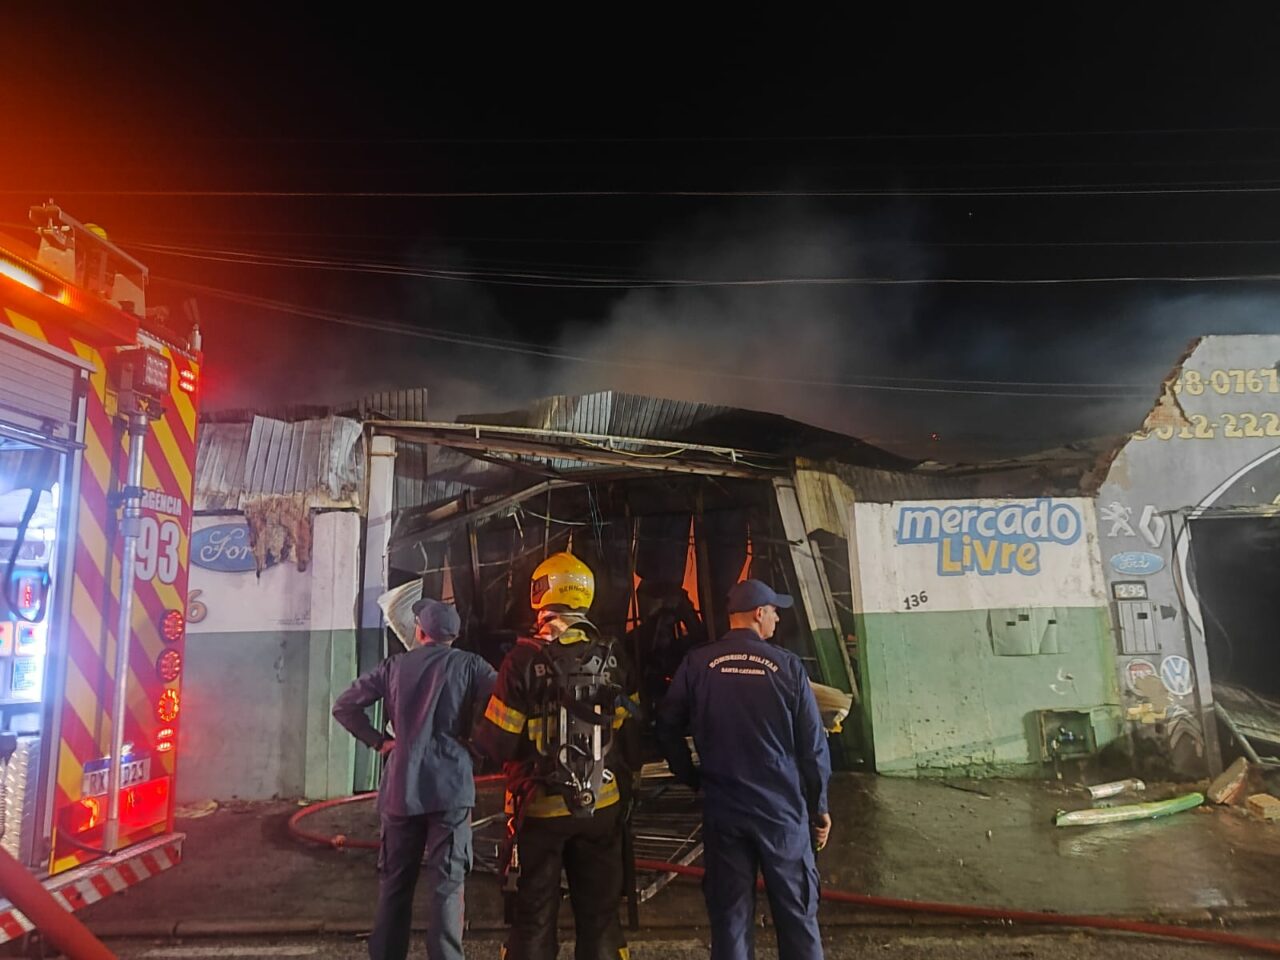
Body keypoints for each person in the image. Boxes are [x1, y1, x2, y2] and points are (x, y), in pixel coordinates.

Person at [656, 579, 832, 960]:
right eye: (773, 610)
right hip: (781, 813)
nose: (777, 617)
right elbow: (813, 748)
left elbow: (666, 726)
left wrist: (692, 778)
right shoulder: (788, 667)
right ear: (758, 614)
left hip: (725, 809)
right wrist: (819, 808)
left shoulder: (697, 663)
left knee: (731, 920)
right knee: (798, 916)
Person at [473, 551, 636, 960]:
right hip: (602, 806)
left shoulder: (522, 660)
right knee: (600, 917)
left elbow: (499, 743)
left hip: (541, 811)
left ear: (541, 595)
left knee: (534, 919)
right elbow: (631, 733)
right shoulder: (613, 656)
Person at [333, 597, 496, 960]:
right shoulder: (471, 665)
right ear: (453, 635)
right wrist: (478, 746)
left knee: (395, 885)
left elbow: (344, 706)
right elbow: (507, 702)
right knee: (448, 887)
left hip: (401, 788)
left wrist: (380, 742)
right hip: (451, 787)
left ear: (419, 631)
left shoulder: (393, 667)